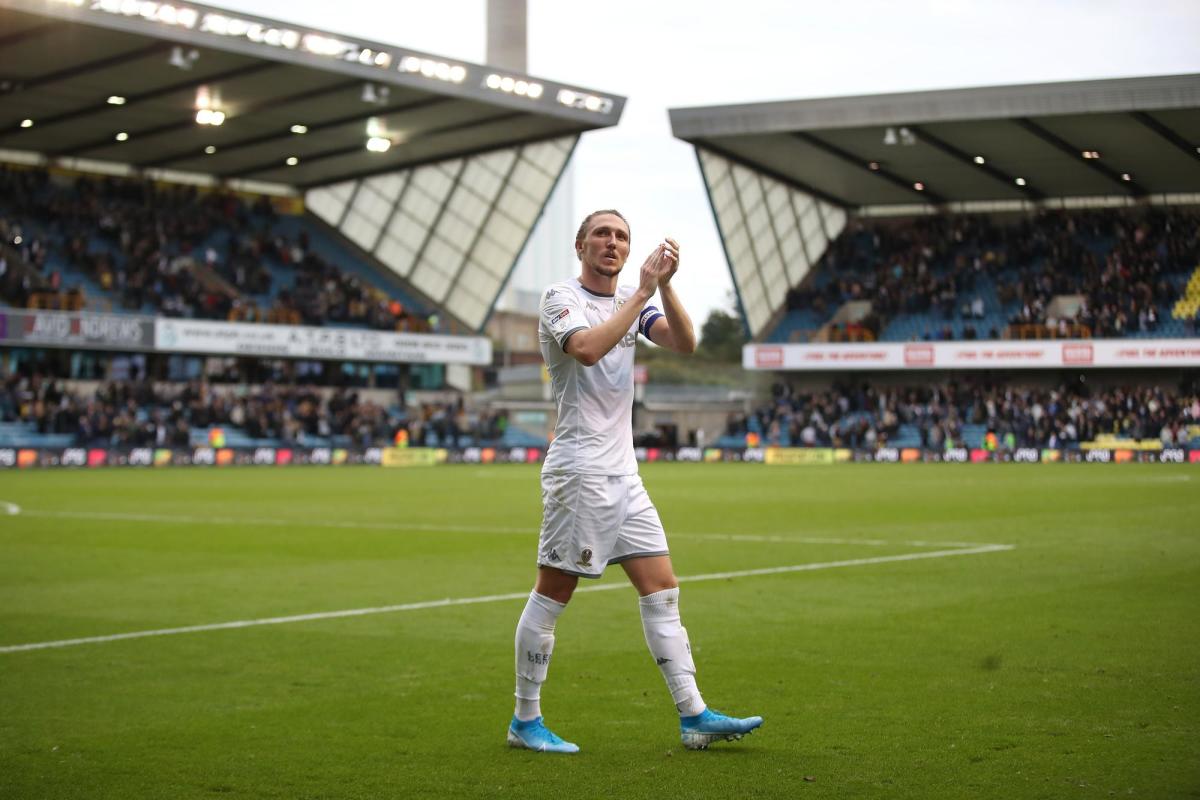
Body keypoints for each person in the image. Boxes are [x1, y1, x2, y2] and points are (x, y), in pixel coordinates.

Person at [506, 209, 763, 754]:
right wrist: (640, 291)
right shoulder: (560, 298)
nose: (613, 242)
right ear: (581, 245)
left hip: (625, 475)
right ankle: (525, 720)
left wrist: (663, 289)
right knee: (553, 595)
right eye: (602, 233)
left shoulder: (637, 302)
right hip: (580, 472)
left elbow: (685, 342)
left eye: (622, 236)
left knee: (663, 590)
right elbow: (587, 348)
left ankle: (694, 715)